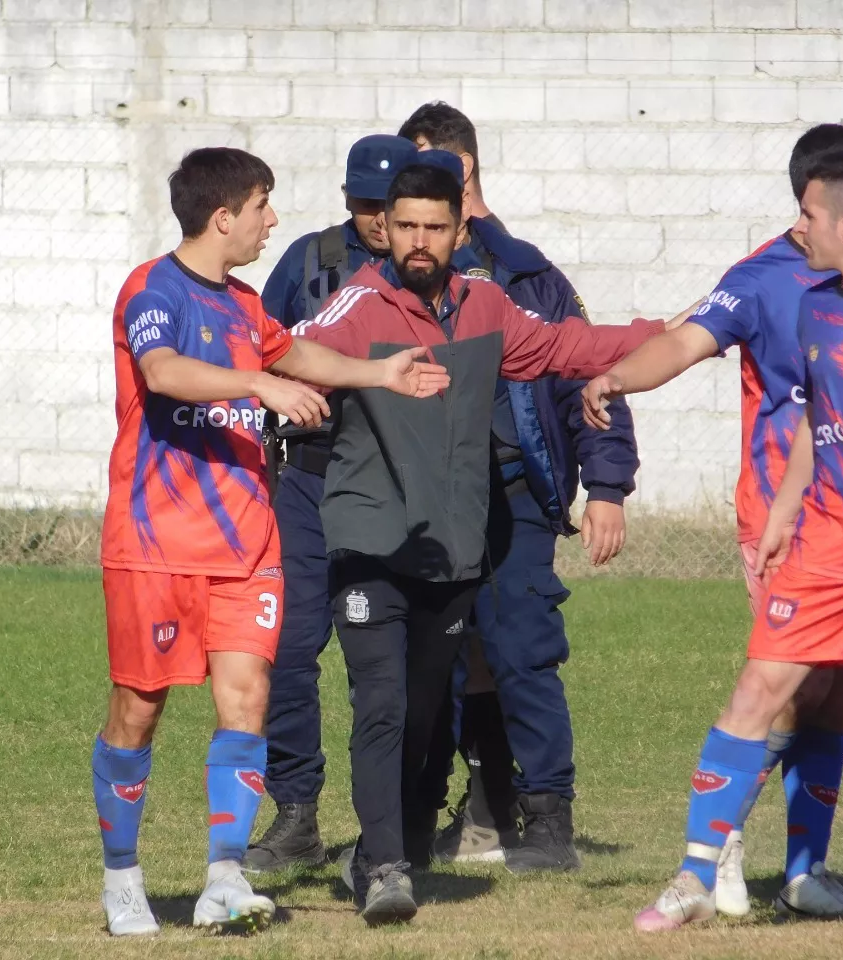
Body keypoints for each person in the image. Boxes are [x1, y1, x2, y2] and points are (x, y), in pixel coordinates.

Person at [293, 162, 674, 925]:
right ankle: (390, 868)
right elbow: (285, 347)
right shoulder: (360, 303)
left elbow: (569, 347)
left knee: (428, 710)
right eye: (406, 226)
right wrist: (357, 374)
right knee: (384, 700)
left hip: (449, 545)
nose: (420, 242)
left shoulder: (488, 305)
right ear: (386, 228)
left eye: (435, 227)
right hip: (369, 540)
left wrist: (677, 335)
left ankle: (376, 851)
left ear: (461, 230)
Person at [93, 146, 449, 937]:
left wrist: (378, 374)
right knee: (138, 711)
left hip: (246, 541)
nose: (272, 219)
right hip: (156, 543)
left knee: (247, 700)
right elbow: (163, 372)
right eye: (262, 205)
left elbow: (295, 352)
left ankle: (223, 877)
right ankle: (123, 879)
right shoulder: (152, 289)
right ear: (224, 217)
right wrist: (258, 384)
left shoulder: (247, 304)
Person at [628, 149, 843, 932]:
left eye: (808, 214)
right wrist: (784, 509)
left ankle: (798, 871)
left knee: (834, 706)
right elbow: (821, 415)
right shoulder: (817, 306)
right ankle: (693, 875)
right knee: (760, 690)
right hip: (833, 540)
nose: (797, 225)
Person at [582, 124, 843, 919]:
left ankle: (805, 872)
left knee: (833, 697)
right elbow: (682, 342)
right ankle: (722, 842)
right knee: (789, 685)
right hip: (783, 518)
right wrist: (618, 377)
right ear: (815, 199)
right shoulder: (759, 278)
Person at [400, 101, 639, 873]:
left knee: (521, 653)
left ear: (466, 176)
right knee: (436, 660)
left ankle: (547, 821)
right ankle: (474, 810)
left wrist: (606, 483)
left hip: (513, 496)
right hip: (426, 502)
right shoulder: (388, 278)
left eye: (436, 174)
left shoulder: (528, 276)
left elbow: (586, 378)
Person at [245, 134, 420, 873]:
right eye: (365, 204)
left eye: (388, 205)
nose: (378, 219)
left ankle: (399, 823)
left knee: (390, 661)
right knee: (287, 649)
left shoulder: (425, 268)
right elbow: (256, 348)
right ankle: (297, 815)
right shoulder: (310, 261)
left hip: (393, 486)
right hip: (310, 480)